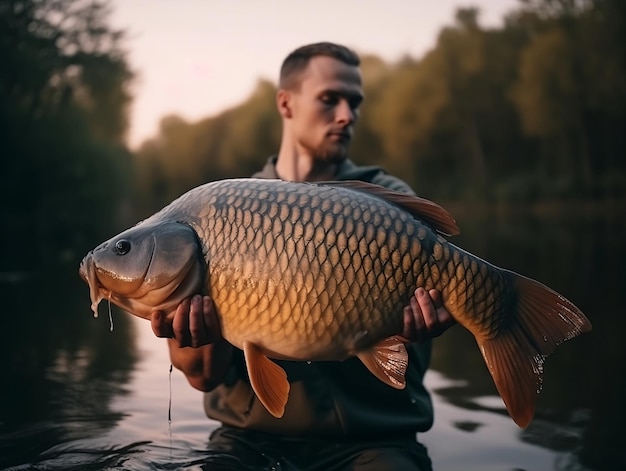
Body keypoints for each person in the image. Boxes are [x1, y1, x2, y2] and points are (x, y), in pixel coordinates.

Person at [151, 42, 455, 471]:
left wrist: (411, 333)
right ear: (286, 103)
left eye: (355, 102)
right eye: (330, 99)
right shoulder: (222, 209)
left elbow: (405, 363)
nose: (347, 115)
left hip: (372, 441)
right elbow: (203, 378)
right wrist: (191, 337)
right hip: (248, 439)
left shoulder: (389, 203)